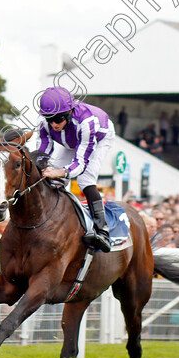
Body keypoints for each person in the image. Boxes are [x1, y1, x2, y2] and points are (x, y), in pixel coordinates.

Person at [36, 86, 116, 252]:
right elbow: (43, 148)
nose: (53, 124)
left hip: (99, 138)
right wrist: (41, 165)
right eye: (50, 119)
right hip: (71, 140)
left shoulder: (87, 121)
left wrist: (61, 172)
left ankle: (103, 231)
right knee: (53, 179)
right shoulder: (45, 121)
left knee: (84, 179)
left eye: (58, 119)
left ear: (70, 112)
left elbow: (80, 163)